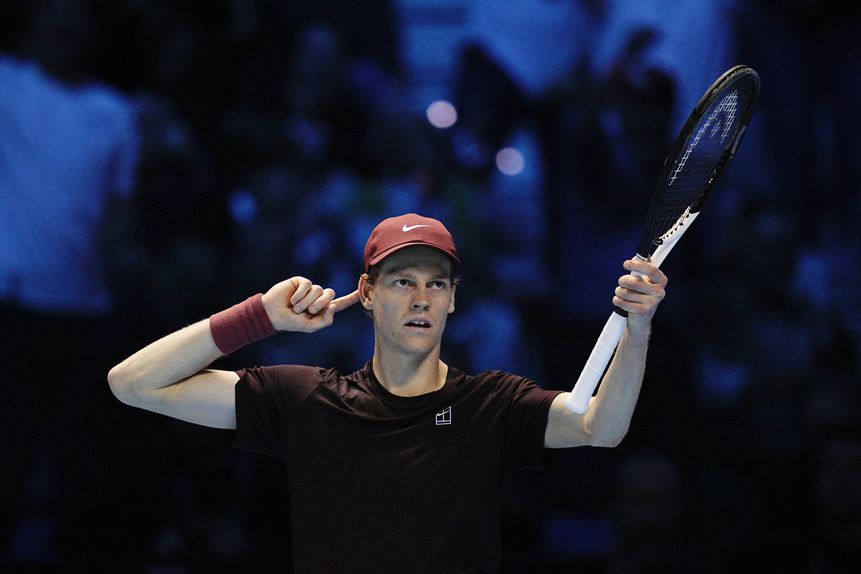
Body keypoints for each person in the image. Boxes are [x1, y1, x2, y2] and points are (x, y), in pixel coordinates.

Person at [108, 213, 667, 573]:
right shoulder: (307, 400)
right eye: (403, 281)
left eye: (436, 283)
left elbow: (602, 426)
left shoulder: (491, 406)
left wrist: (637, 330)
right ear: (367, 294)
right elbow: (133, 383)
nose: (421, 298)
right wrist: (258, 317)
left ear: (453, 300)